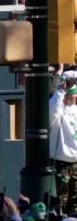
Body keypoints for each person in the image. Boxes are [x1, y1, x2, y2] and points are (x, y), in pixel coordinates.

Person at [51, 81, 77, 212]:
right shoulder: (58, 113)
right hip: (62, 163)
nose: (75, 97)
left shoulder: (75, 110)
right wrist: (61, 90)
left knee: (75, 200)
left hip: (76, 162)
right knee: (62, 199)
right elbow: (53, 109)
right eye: (73, 94)